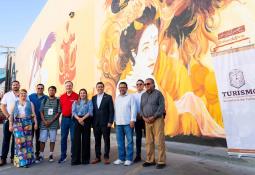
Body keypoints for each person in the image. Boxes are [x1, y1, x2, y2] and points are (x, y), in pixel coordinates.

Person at [141, 78, 166, 169]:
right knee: (148, 141)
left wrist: (154, 116)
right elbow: (141, 107)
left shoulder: (158, 94)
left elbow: (161, 107)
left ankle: (161, 161)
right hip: (147, 120)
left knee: (159, 141)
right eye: (145, 84)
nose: (146, 86)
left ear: (153, 84)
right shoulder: (143, 95)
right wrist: (144, 117)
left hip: (157, 120)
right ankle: (150, 160)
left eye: (148, 84)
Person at [9, 89, 38, 168]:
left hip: (28, 122)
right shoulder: (15, 103)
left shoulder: (30, 103)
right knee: (20, 142)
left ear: (26, 95)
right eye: (22, 94)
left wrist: (36, 123)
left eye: (25, 94)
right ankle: (22, 162)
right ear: (19, 95)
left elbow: (34, 114)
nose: (23, 95)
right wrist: (10, 125)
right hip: (17, 123)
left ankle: (29, 160)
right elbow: (11, 115)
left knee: (28, 142)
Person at [113, 82, 136, 166]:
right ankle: (121, 158)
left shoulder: (130, 97)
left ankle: (129, 159)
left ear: (126, 88)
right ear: (119, 89)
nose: (122, 89)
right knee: (120, 142)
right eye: (120, 87)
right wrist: (115, 121)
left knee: (129, 142)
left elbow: (134, 108)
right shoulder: (117, 98)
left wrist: (132, 120)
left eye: (123, 87)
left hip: (128, 123)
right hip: (118, 123)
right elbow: (115, 110)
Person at [91, 82, 114, 165]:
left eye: (101, 87)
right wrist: (91, 123)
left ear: (103, 88)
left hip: (105, 123)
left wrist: (110, 121)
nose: (100, 88)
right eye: (98, 87)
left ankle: (106, 157)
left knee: (106, 140)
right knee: (97, 141)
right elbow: (92, 111)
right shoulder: (93, 98)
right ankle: (97, 157)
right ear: (96, 88)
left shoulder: (108, 97)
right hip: (95, 124)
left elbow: (111, 111)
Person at [38, 86, 61, 162]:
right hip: (44, 124)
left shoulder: (58, 101)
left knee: (52, 140)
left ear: (55, 91)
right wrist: (44, 121)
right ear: (48, 91)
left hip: (53, 124)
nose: (51, 91)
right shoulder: (44, 100)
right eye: (50, 90)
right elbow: (41, 111)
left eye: (53, 90)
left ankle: (51, 155)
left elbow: (58, 112)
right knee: (42, 140)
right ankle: (41, 154)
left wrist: (51, 121)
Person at [0, 80, 20, 166]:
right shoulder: (7, 95)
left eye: (16, 85)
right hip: (8, 120)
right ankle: (3, 158)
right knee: (6, 139)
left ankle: (13, 157)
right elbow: (2, 106)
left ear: (19, 85)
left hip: (19, 121)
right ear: (12, 86)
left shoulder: (23, 94)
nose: (15, 86)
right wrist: (8, 116)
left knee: (16, 140)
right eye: (14, 85)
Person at [58, 81, 78, 163]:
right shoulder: (62, 97)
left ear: (72, 86)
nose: (68, 87)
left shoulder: (76, 96)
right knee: (63, 138)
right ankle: (63, 156)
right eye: (67, 86)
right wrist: (60, 119)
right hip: (64, 119)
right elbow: (60, 109)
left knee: (73, 138)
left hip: (73, 119)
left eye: (70, 85)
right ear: (65, 87)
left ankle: (73, 155)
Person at [71, 89, 93, 165]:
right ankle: (76, 160)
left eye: (84, 93)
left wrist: (82, 119)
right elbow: (73, 112)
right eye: (81, 93)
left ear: (86, 94)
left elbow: (90, 112)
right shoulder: (75, 102)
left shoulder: (89, 102)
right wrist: (79, 119)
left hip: (86, 120)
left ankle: (85, 160)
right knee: (76, 140)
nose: (82, 94)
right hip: (77, 120)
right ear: (79, 94)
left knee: (86, 140)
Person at [28, 83, 47, 163]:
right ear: (36, 88)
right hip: (30, 121)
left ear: (43, 89)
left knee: (38, 139)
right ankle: (30, 155)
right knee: (30, 139)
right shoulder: (31, 96)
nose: (40, 89)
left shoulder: (46, 98)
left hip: (41, 121)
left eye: (41, 88)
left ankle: (37, 155)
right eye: (38, 88)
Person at [133, 79, 146, 163]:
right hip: (137, 119)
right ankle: (138, 156)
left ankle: (150, 156)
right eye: (137, 84)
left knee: (148, 138)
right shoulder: (133, 95)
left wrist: (142, 114)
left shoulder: (146, 94)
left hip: (145, 119)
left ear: (143, 85)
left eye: (140, 84)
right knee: (138, 138)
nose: (139, 86)